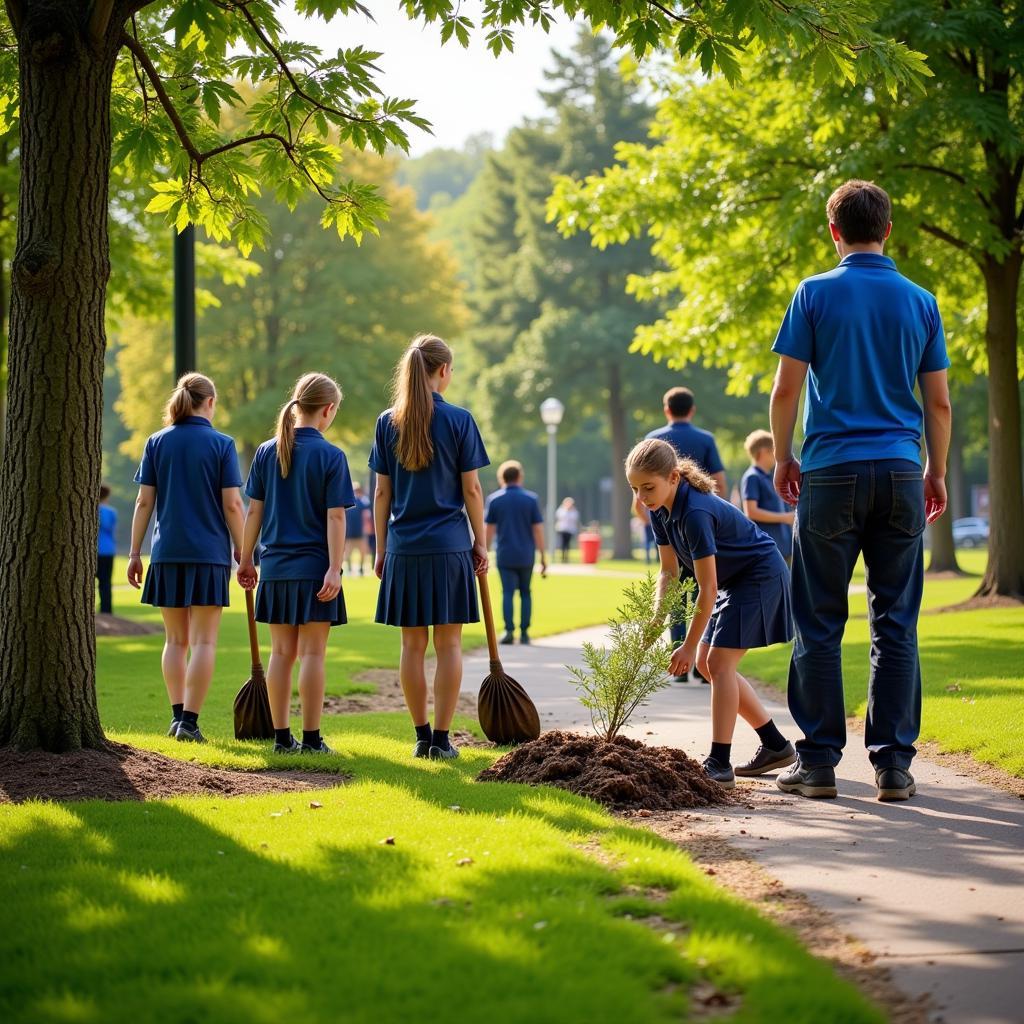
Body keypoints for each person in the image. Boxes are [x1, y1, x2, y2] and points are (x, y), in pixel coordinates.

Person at [770, 179, 951, 802]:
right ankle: (894, 765)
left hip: (830, 473)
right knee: (895, 621)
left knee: (817, 619)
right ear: (888, 229)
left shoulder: (813, 293)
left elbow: (786, 390)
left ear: (833, 231)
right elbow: (940, 403)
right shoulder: (922, 302)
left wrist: (785, 457)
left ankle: (819, 762)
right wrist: (935, 471)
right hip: (901, 470)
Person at [627, 438, 796, 789]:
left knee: (716, 664)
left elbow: (707, 586)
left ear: (673, 477)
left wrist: (687, 646)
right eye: (635, 489)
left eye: (648, 487)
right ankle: (777, 746)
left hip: (760, 575)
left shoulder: (695, 513)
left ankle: (719, 762)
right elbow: (668, 572)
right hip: (736, 582)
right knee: (710, 665)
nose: (642, 497)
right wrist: (657, 619)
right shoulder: (659, 509)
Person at [371, 335, 489, 761]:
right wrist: (481, 541)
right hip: (449, 545)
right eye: (451, 369)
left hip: (404, 547)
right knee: (450, 646)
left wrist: (381, 548)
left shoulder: (387, 422)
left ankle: (421, 737)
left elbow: (381, 493)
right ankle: (442, 739)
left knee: (411, 647)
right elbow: (472, 489)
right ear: (442, 371)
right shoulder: (460, 419)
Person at [237, 373, 354, 755]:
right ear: (328, 410)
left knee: (281, 654)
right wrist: (335, 568)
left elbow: (254, 510)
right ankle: (312, 740)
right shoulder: (332, 456)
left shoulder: (267, 451)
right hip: (315, 570)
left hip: (275, 568)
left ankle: (281, 738)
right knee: (314, 655)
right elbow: (336, 518)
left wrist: (245, 558)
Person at [127, 373, 245, 743]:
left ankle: (177, 718)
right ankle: (190, 723)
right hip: (208, 553)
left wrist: (134, 553)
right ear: (209, 402)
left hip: (166, 552)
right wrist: (244, 551)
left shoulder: (156, 442)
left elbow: (144, 501)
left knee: (174, 641)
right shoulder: (222, 444)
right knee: (205, 642)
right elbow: (232, 504)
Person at [647, 387, 726, 678]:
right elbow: (718, 481)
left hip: (674, 521)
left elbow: (643, 491)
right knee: (704, 590)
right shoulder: (705, 439)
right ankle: (697, 666)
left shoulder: (653, 440)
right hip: (701, 525)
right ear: (691, 410)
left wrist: (646, 514)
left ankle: (679, 658)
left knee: (677, 592)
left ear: (666, 409)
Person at [485, 460, 547, 645]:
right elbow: (537, 529)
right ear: (519, 477)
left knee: (507, 593)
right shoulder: (531, 499)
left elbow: (489, 530)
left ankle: (509, 631)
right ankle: (525, 633)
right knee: (526, 592)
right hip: (526, 554)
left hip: (505, 553)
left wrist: (485, 552)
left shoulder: (495, 500)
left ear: (501, 478)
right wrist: (543, 556)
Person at [740, 430, 795, 562]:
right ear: (764, 452)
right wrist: (785, 518)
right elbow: (751, 511)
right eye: (774, 450)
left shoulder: (769, 476)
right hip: (766, 547)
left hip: (782, 546)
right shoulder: (752, 477)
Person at [97, 484, 117, 615]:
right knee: (106, 582)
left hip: (94, 551)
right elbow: (110, 528)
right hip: (108, 550)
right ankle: (106, 611)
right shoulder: (111, 512)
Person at [345, 482, 371, 576]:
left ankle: (360, 569)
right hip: (350, 533)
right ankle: (351, 569)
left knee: (362, 553)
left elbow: (366, 517)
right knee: (348, 554)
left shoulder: (361, 503)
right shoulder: (350, 502)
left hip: (359, 533)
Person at [554, 497, 579, 563]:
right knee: (562, 543)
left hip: (570, 530)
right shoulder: (561, 510)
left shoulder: (574, 511)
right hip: (562, 529)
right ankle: (562, 557)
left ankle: (566, 557)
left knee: (567, 544)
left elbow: (574, 519)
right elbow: (559, 517)